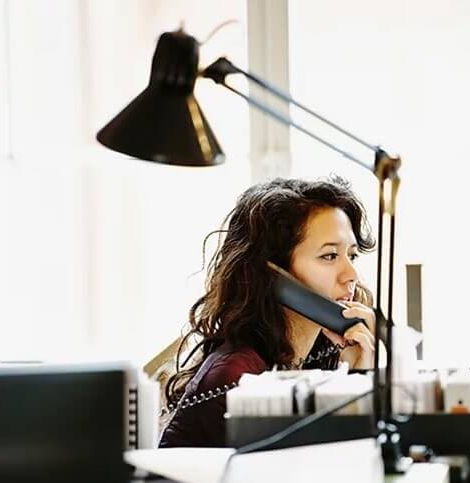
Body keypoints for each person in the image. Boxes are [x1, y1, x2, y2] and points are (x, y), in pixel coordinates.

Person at [159, 176, 376, 447]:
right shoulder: (237, 376)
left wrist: (358, 372)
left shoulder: (312, 359)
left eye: (352, 256)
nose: (351, 275)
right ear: (275, 276)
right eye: (329, 256)